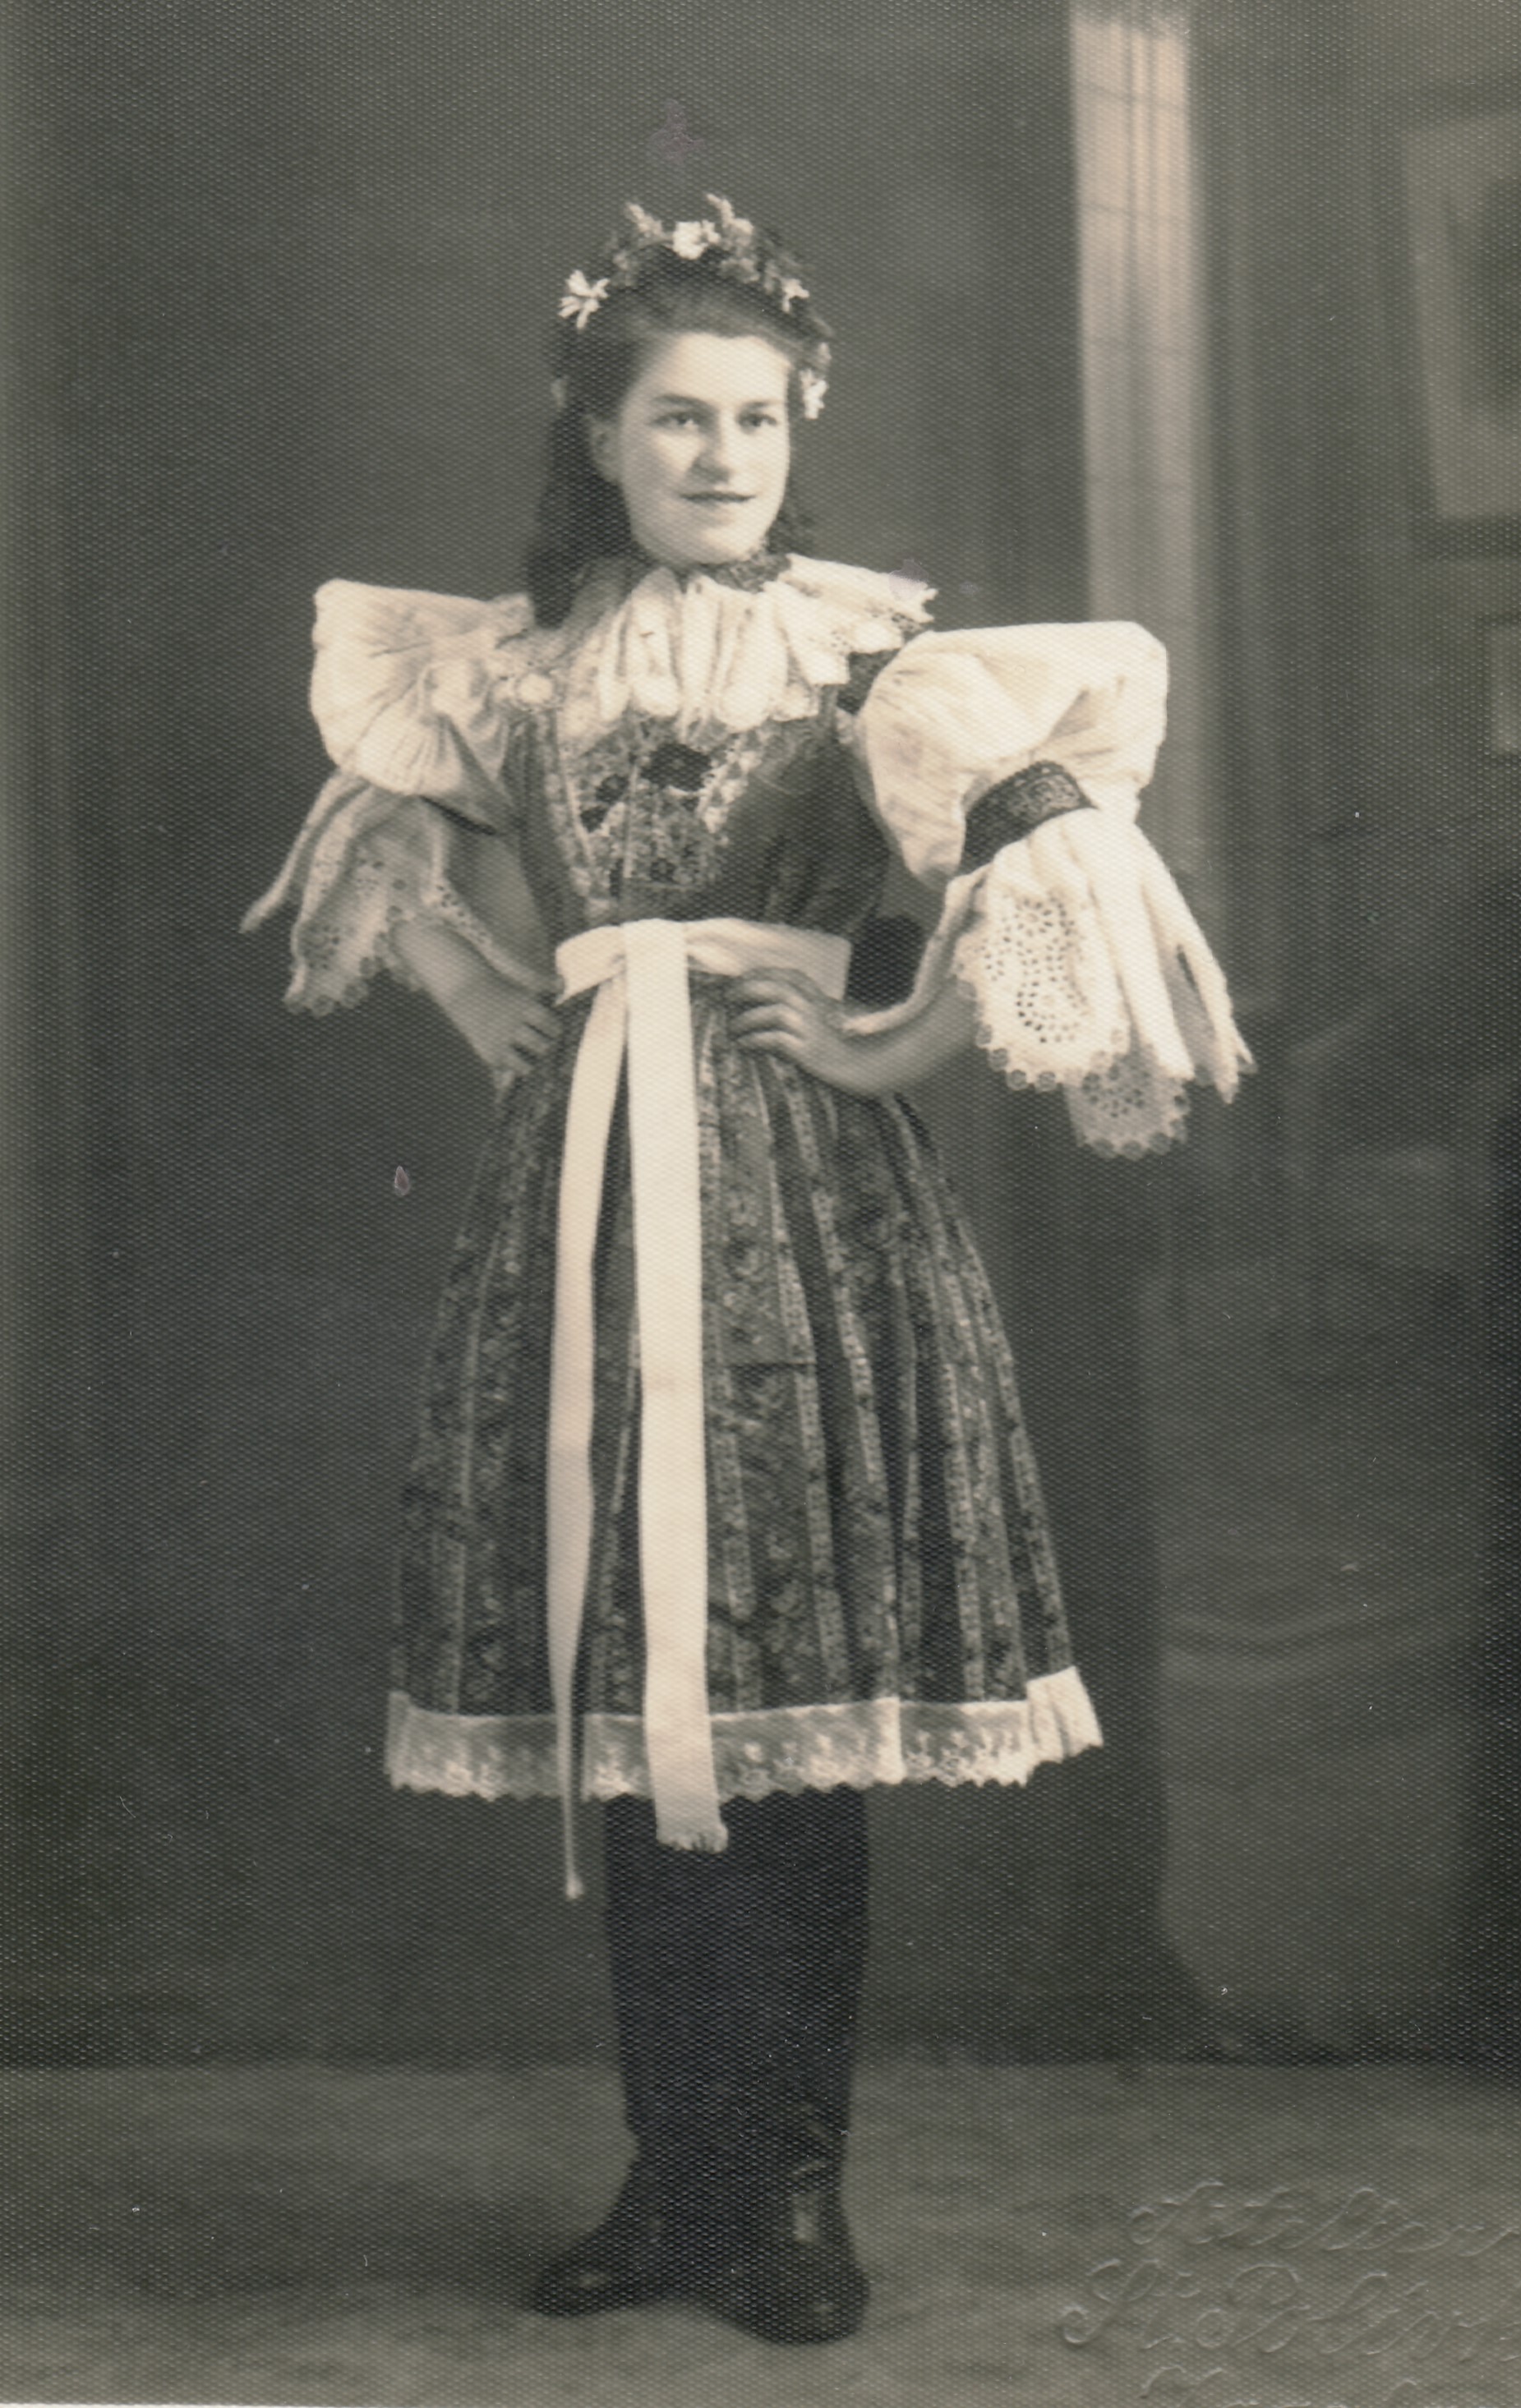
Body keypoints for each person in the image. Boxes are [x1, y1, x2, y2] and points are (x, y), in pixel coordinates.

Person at [244, 196, 1249, 2345]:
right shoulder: (511, 667)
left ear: (800, 431)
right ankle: (669, 2173)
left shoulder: (881, 663)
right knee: (634, 1699)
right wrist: (489, 995)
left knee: (786, 1715)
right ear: (598, 434)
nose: (720, 455)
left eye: (756, 420)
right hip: (588, 1206)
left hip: (804, 1214)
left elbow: (1042, 874)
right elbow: (393, 852)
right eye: (678, 418)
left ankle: (789, 2183)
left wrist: (890, 1037)